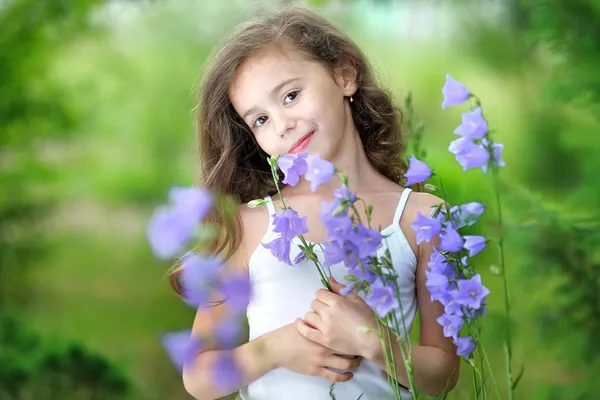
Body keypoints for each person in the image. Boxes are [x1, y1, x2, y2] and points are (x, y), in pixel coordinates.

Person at [172, 4, 459, 399]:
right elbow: (200, 378)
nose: (282, 125)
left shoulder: (421, 218)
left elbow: (443, 377)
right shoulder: (248, 225)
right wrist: (274, 349)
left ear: (344, 75)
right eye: (259, 120)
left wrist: (375, 342)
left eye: (290, 95)